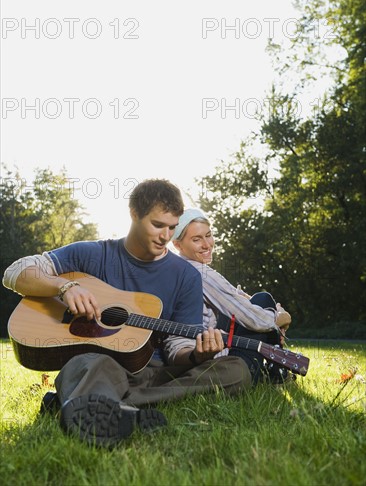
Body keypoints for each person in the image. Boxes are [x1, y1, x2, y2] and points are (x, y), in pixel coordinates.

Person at [3, 180, 251, 448]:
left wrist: (197, 354)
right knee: (88, 364)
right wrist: (64, 287)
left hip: (158, 370)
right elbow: (16, 272)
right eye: (157, 225)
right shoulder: (92, 253)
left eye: (172, 227)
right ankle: (105, 403)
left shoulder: (186, 276)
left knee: (236, 370)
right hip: (101, 365)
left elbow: (177, 346)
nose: (165, 236)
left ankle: (89, 403)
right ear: (134, 214)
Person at [171, 208, 292, 384]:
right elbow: (252, 319)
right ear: (177, 245)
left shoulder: (177, 267)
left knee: (257, 302)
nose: (207, 244)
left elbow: (234, 296)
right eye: (197, 239)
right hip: (214, 360)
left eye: (208, 235)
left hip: (200, 354)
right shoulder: (198, 273)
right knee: (262, 300)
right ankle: (277, 372)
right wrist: (280, 317)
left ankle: (276, 367)